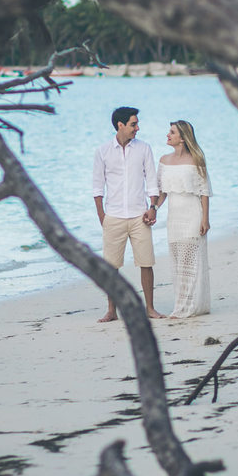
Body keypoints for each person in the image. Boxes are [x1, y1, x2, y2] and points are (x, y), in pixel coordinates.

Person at [93, 106, 164, 322]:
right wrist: (102, 217)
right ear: (120, 125)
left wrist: (153, 207)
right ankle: (111, 311)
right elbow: (97, 187)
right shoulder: (103, 151)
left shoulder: (144, 149)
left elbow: (152, 182)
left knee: (146, 262)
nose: (137, 128)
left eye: (137, 124)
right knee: (111, 267)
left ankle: (150, 308)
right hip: (113, 216)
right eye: (133, 124)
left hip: (140, 215)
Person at [152, 120, 212, 318]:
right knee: (178, 262)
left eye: (172, 132)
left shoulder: (196, 160)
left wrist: (205, 219)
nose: (167, 135)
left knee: (190, 260)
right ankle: (181, 305)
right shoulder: (164, 160)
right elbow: (161, 192)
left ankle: (191, 305)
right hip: (174, 217)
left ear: (183, 138)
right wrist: (153, 209)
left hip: (192, 214)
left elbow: (204, 191)